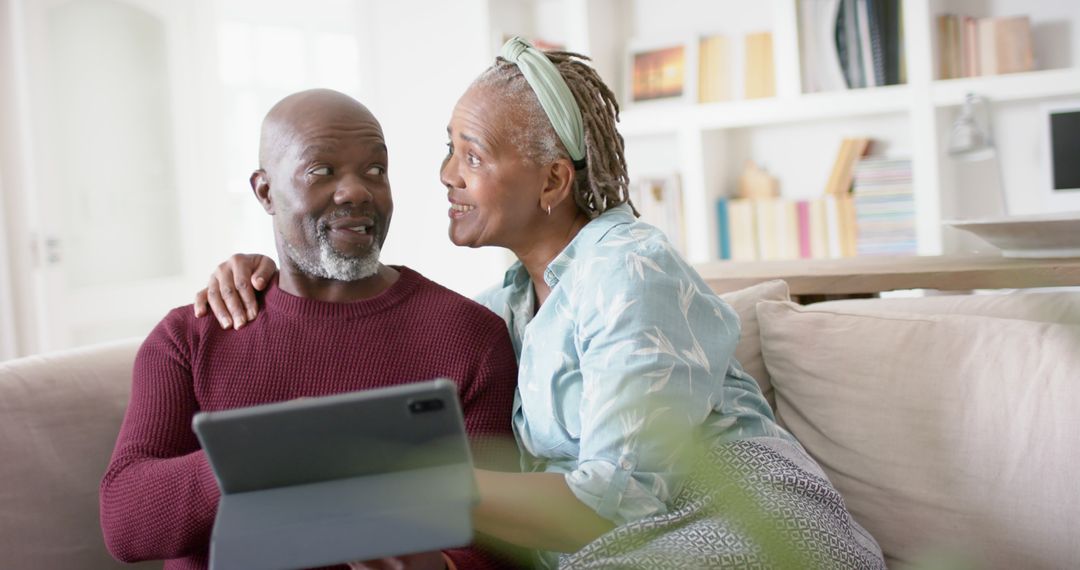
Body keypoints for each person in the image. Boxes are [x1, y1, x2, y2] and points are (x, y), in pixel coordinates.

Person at [198, 39, 886, 569]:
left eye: (469, 156)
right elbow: (385, 329)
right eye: (447, 151)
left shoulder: (631, 269)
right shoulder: (506, 305)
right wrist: (270, 274)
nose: (444, 175)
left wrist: (404, 483)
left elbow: (611, 501)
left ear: (554, 179)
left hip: (742, 521)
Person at [100, 89, 523, 570]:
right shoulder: (192, 335)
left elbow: (495, 546)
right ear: (265, 192)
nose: (357, 191)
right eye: (322, 171)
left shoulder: (470, 338)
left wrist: (427, 564)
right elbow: (124, 522)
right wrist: (275, 450)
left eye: (375, 171)